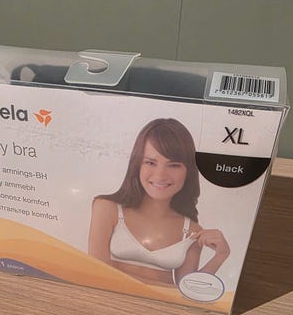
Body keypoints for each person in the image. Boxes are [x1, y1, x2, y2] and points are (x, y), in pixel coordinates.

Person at [88, 118, 230, 287]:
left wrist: (221, 255)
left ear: (188, 172)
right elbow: (96, 272)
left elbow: (187, 290)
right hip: (112, 298)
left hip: (161, 303)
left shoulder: (192, 231)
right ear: (137, 165)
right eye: (150, 162)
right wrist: (160, 288)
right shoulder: (107, 208)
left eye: (174, 165)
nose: (160, 175)